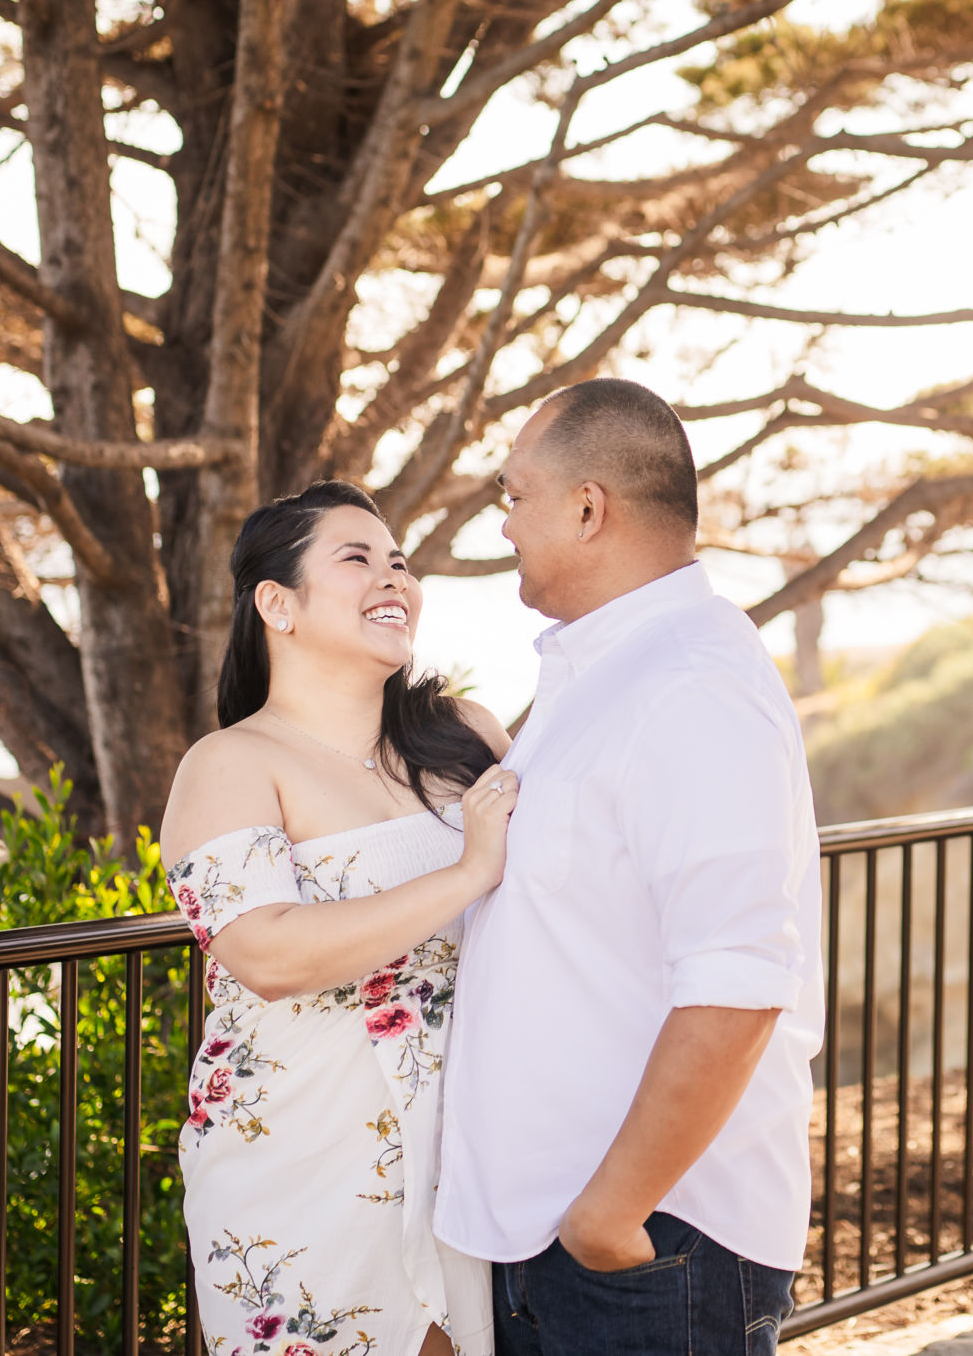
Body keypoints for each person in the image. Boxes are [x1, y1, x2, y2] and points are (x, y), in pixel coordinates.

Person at [435, 379, 824, 1356]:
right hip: (557, 1239)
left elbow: (738, 984)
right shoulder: (604, 672)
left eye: (513, 494)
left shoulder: (689, 685)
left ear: (587, 507)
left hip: (648, 1247)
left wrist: (608, 1219)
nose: (504, 522)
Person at [162, 480, 521, 1356]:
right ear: (276, 603)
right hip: (296, 1161)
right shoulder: (232, 761)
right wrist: (469, 869)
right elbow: (268, 952)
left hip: (464, 1156)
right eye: (356, 557)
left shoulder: (464, 736)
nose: (392, 576)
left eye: (399, 560)